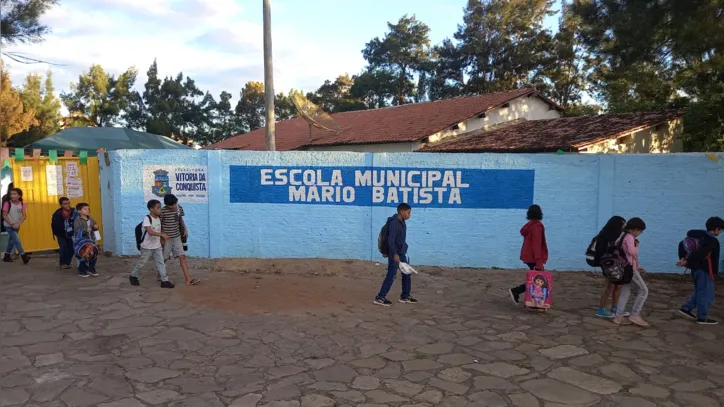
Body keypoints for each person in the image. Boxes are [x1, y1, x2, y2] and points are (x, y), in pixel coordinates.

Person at [677, 216, 724, 325]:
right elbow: (702, 253)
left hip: (696, 269)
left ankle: (686, 308)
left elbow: (681, 244)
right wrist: (687, 260)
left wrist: (683, 258)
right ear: (716, 229)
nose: (721, 232)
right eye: (721, 229)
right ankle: (702, 317)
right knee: (706, 294)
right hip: (705, 269)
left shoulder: (698, 236)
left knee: (700, 290)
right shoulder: (712, 240)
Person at [374, 203, 415, 306]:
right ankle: (380, 297)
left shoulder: (402, 222)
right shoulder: (394, 223)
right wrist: (394, 254)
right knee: (391, 275)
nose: (409, 215)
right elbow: (390, 241)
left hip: (401, 253)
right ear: (402, 211)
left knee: (406, 273)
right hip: (395, 254)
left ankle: (405, 296)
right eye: (408, 212)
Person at [613, 217, 649, 326]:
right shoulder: (629, 237)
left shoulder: (622, 236)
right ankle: (635, 314)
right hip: (629, 268)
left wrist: (637, 266)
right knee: (643, 290)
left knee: (625, 292)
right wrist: (637, 246)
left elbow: (624, 253)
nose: (640, 233)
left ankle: (618, 317)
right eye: (640, 231)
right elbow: (632, 252)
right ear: (635, 229)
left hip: (623, 267)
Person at [509, 204, 548, 305]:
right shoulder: (537, 226)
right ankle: (517, 291)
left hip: (528, 255)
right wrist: (539, 261)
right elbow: (536, 244)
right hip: (533, 257)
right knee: (538, 279)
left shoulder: (529, 225)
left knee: (536, 278)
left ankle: (532, 299)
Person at [130, 200, 174, 288]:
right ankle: (133, 276)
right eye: (158, 208)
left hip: (157, 246)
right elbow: (150, 232)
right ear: (151, 209)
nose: (160, 209)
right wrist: (162, 235)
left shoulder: (158, 218)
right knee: (142, 262)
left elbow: (158, 230)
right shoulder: (147, 218)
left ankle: (164, 280)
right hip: (147, 246)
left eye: (160, 207)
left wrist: (161, 240)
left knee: (161, 263)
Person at [591, 216, 627, 318]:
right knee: (609, 286)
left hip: (612, 265)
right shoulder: (606, 239)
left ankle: (614, 308)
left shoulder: (609, 236)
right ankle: (601, 309)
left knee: (616, 286)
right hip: (609, 265)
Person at [160, 194, 199, 286]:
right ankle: (160, 275)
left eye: (174, 204)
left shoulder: (179, 208)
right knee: (164, 259)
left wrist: (185, 229)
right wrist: (161, 237)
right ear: (166, 204)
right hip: (167, 239)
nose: (173, 207)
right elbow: (159, 225)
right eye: (171, 205)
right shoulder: (162, 212)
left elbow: (180, 219)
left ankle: (188, 279)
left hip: (177, 237)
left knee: (182, 256)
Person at [2, 188, 30, 264]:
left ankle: (7, 256)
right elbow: (4, 215)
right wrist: (12, 224)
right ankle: (24, 256)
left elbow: (24, 215)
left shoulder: (22, 204)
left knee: (12, 241)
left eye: (14, 194)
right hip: (8, 225)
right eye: (11, 194)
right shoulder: (7, 203)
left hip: (17, 225)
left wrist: (18, 224)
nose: (12, 196)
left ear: (19, 195)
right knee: (17, 240)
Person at [73, 202, 99, 277]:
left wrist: (96, 227)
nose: (87, 210)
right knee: (84, 256)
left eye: (88, 209)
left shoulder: (91, 219)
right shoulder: (78, 220)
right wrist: (85, 230)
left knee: (94, 255)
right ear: (79, 211)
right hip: (83, 242)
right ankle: (82, 270)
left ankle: (91, 268)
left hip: (92, 240)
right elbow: (77, 230)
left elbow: (95, 228)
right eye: (85, 209)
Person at [51, 197, 76, 269]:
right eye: (65, 204)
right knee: (63, 247)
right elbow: (55, 225)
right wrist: (62, 232)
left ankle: (68, 262)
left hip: (71, 233)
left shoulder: (74, 211)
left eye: (68, 203)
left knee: (71, 248)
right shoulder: (57, 213)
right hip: (61, 234)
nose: (68, 205)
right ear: (61, 205)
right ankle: (63, 263)